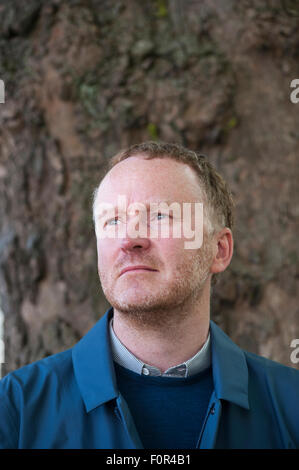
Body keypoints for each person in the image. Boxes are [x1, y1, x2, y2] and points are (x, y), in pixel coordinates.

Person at [0, 141, 298, 449]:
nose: (129, 239)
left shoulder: (291, 406)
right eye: (112, 221)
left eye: (160, 216)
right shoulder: (17, 410)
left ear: (218, 250)